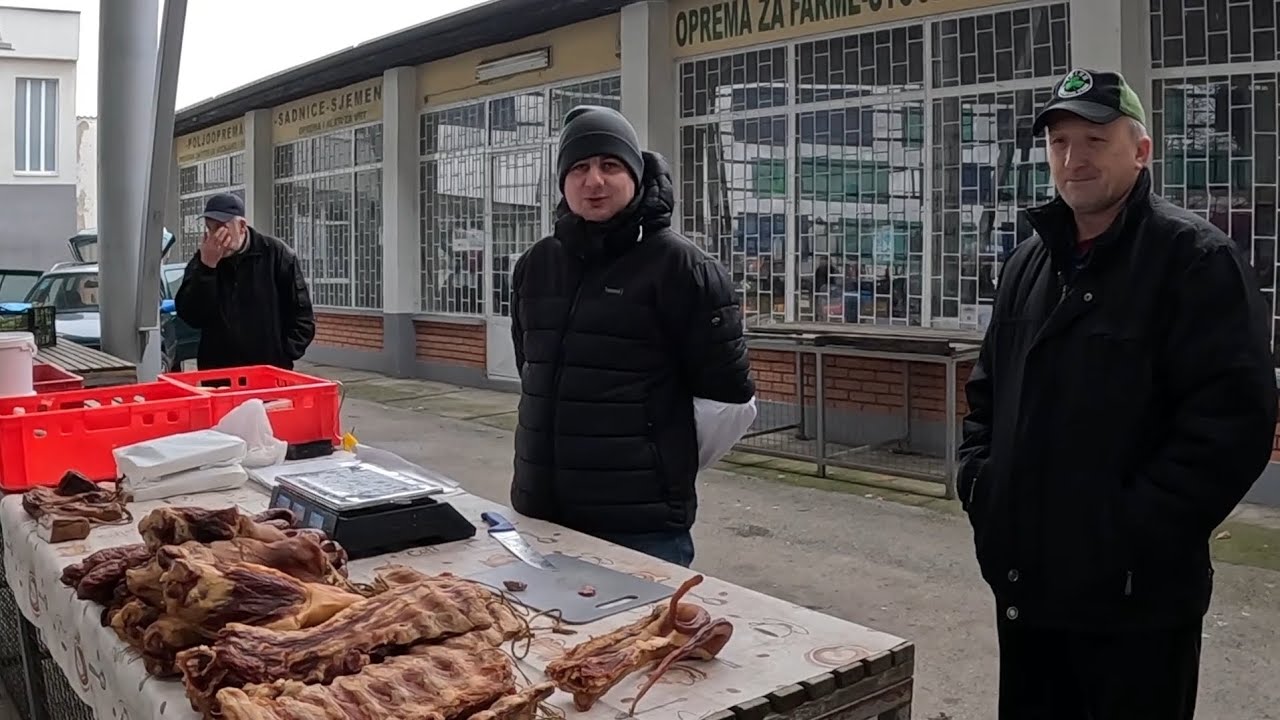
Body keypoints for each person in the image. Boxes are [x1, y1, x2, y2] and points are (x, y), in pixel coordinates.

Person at [957, 68, 1278, 720]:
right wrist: (982, 486)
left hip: (1136, 604)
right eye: (1060, 142)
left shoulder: (1193, 262)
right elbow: (988, 393)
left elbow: (1231, 429)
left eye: (1096, 140)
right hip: (1029, 592)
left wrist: (1123, 535)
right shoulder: (1029, 263)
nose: (1074, 158)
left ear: (1141, 149)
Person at [508, 106, 755, 567]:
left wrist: (659, 463)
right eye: (579, 167)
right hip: (541, 514)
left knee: (640, 640)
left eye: (610, 165)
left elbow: (730, 402)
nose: (593, 181)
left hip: (639, 530)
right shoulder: (537, 265)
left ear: (636, 174)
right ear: (562, 180)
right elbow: (533, 370)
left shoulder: (683, 269)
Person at [174, 193, 316, 370]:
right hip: (219, 373)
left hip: (268, 372)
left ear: (241, 226)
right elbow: (190, 316)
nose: (215, 236)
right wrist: (207, 268)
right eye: (210, 229)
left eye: (221, 227)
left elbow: (302, 315)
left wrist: (283, 353)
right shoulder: (203, 260)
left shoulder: (277, 255)